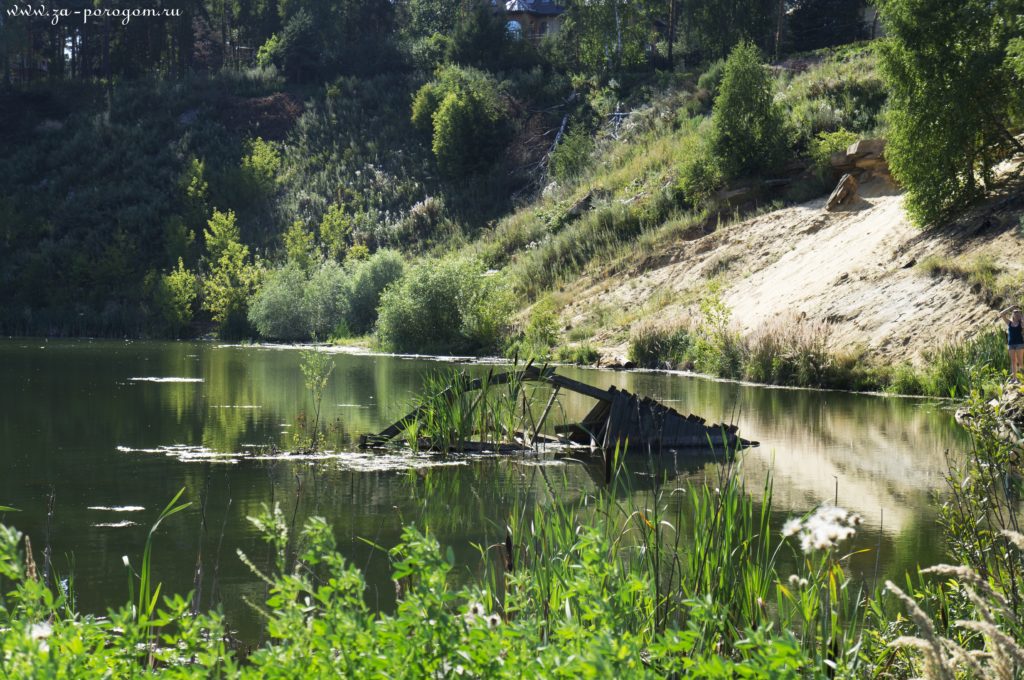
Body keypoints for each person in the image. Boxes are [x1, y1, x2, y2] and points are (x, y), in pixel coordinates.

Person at [1000, 306, 1024, 380]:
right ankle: (1014, 378)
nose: (1016, 314)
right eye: (1015, 313)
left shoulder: (1021, 323)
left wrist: (1021, 317)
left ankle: (1022, 377)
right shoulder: (1009, 323)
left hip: (1019, 343)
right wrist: (1010, 308)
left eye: (1017, 313)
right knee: (1013, 361)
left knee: (1020, 361)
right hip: (1011, 344)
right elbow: (1001, 314)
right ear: (1012, 315)